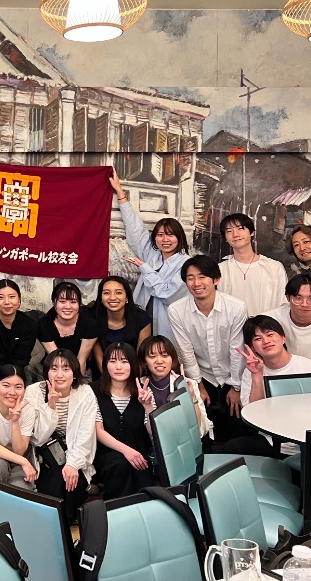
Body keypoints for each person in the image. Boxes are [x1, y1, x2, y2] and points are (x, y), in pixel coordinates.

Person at [224, 315, 311, 458]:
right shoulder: (251, 371)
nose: (266, 341)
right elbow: (255, 415)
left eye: (270, 334)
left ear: (283, 338)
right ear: (252, 347)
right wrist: (257, 375)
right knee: (231, 448)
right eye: (258, 339)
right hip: (273, 441)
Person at [167, 254, 248, 441]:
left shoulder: (236, 308)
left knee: (237, 429)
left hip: (232, 375)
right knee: (202, 431)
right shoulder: (176, 310)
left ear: (216, 280)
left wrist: (236, 387)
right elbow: (185, 351)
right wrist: (198, 386)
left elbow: (237, 351)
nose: (196, 283)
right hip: (202, 375)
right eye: (190, 278)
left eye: (202, 277)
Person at [109, 169, 190, 341]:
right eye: (160, 235)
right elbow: (135, 228)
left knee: (164, 353)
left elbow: (168, 294)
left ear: (179, 237)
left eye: (170, 235)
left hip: (169, 326)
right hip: (143, 321)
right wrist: (120, 192)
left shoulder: (187, 264)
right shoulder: (152, 254)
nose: (165, 240)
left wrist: (145, 268)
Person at [24, 349, 97, 522]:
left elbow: (86, 435)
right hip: (44, 456)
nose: (59, 374)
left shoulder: (85, 392)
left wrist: (72, 464)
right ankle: (57, 523)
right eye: (54, 368)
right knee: (55, 481)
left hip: (75, 454)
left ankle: (66, 521)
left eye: (66, 368)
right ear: (46, 372)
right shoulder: (34, 392)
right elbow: (37, 438)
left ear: (74, 373)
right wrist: (51, 405)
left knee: (72, 481)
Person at [93, 342, 155, 499]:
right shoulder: (93, 390)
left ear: (133, 364)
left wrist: (148, 406)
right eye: (113, 361)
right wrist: (126, 451)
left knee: (144, 484)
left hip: (138, 451)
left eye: (124, 361)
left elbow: (153, 433)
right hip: (106, 452)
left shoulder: (144, 390)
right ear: (105, 365)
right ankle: (115, 510)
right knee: (120, 465)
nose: (118, 367)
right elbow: (98, 431)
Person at [0, 279, 39, 398]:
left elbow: (21, 358)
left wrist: (13, 387)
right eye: (1, 297)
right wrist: (4, 389)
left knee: (25, 403)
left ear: (19, 300)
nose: (7, 302)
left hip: (19, 372)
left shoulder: (29, 325)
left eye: (12, 297)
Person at [137, 336, 211, 438]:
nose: (159, 361)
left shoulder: (188, 383)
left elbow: (200, 429)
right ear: (144, 361)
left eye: (164, 355)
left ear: (172, 359)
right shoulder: (139, 386)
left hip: (185, 441)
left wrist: (192, 397)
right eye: (152, 356)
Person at [217, 213, 287, 315]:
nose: (235, 234)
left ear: (252, 232)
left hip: (267, 324)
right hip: (232, 325)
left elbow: (283, 305)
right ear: (225, 238)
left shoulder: (274, 267)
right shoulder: (220, 270)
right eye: (229, 231)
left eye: (240, 228)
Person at [90, 276, 152, 380]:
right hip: (103, 377)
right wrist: (112, 382)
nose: (112, 297)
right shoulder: (92, 319)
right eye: (106, 293)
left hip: (134, 376)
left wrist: (131, 381)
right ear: (101, 298)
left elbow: (141, 358)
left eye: (118, 293)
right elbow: (99, 358)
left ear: (127, 297)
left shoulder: (142, 319)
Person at [37, 282, 98, 376]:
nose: (68, 306)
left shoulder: (89, 324)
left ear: (79, 304)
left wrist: (77, 382)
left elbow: (81, 359)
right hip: (52, 369)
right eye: (62, 301)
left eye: (73, 302)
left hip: (80, 371)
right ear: (54, 302)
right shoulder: (44, 324)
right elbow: (57, 359)